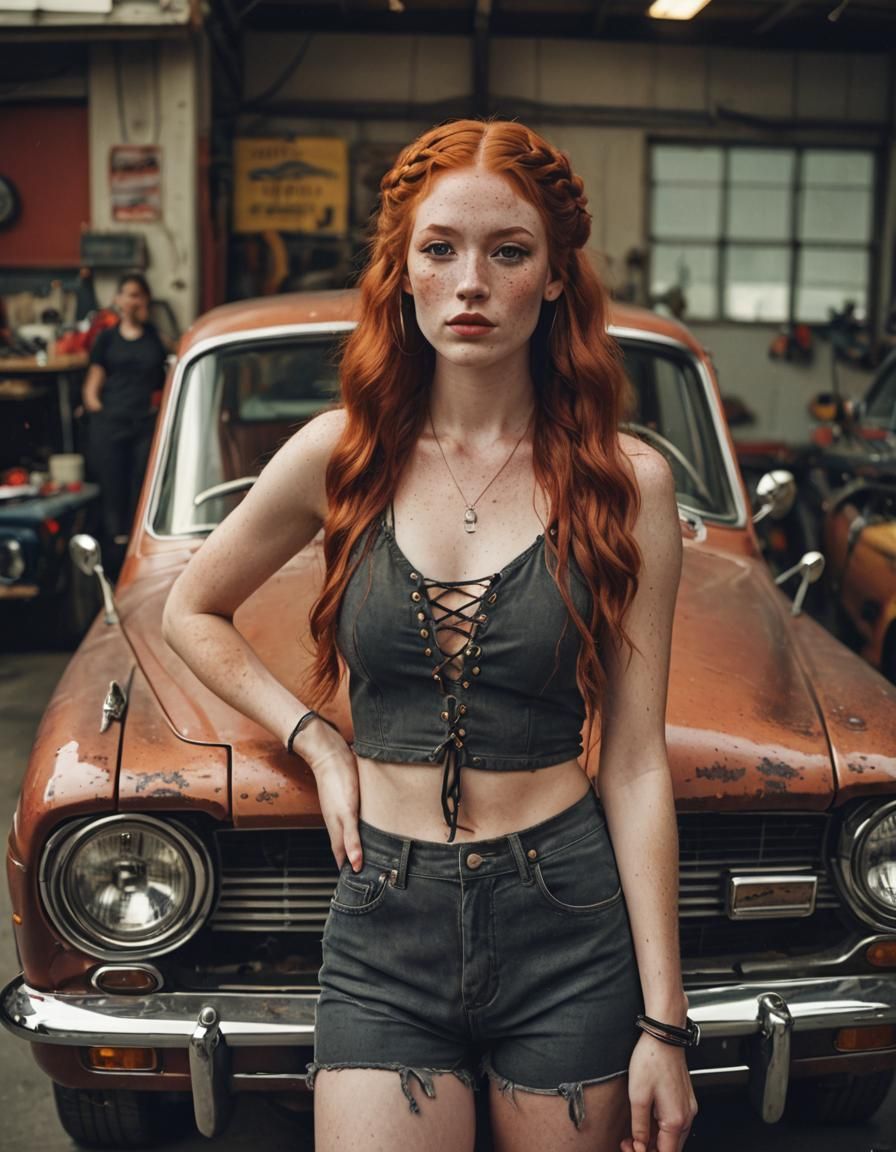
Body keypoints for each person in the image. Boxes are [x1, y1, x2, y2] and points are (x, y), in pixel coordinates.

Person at [162, 119, 698, 1152]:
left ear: (551, 277)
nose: (470, 283)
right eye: (440, 248)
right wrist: (313, 737)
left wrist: (662, 1025)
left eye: (508, 252)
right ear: (401, 269)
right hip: (385, 920)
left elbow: (632, 766)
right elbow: (191, 608)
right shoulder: (340, 457)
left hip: (564, 915)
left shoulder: (624, 482)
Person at [83, 272, 169, 576]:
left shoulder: (154, 337)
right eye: (128, 294)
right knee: (112, 491)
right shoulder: (106, 339)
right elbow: (92, 385)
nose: (133, 300)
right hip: (111, 424)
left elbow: (167, 378)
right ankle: (112, 564)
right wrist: (99, 411)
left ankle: (137, 557)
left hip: (144, 424)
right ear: (118, 299)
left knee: (140, 489)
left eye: (139, 295)